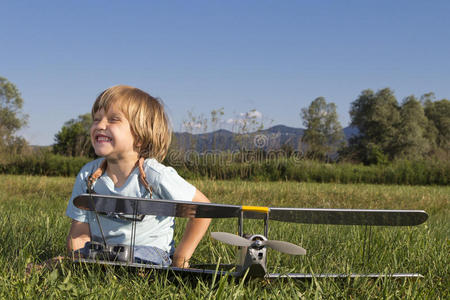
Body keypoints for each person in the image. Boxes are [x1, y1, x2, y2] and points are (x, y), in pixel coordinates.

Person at [65, 85, 211, 268]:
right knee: (88, 254)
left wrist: (181, 258)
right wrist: (78, 259)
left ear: (140, 137)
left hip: (151, 255)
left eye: (113, 119)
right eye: (96, 119)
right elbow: (79, 228)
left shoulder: (155, 175)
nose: (100, 125)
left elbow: (203, 210)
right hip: (104, 252)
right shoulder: (88, 175)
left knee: (134, 256)